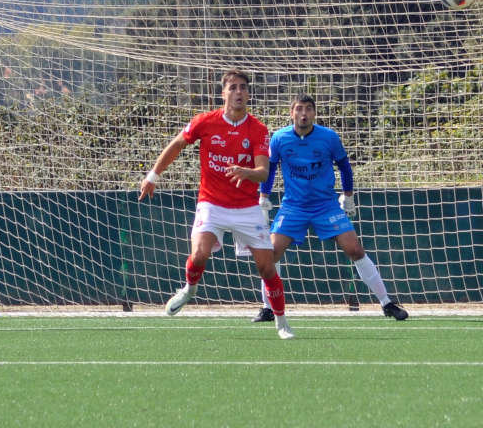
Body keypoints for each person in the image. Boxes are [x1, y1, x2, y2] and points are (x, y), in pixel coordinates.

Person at [139, 69, 294, 340]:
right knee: (199, 254)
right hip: (211, 203)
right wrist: (153, 176)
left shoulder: (257, 129)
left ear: (248, 94)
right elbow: (177, 145)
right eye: (232, 87)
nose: (238, 92)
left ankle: (282, 323)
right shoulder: (205, 122)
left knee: (267, 268)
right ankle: (189, 289)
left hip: (247, 208)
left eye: (243, 88)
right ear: (223, 93)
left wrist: (246, 172)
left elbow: (264, 172)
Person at [253, 94, 408, 322]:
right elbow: (271, 167)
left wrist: (348, 197)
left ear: (314, 113)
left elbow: (345, 167)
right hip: (293, 207)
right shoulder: (279, 138)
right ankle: (268, 308)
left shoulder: (329, 137)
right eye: (299, 109)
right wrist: (263, 198)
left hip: (326, 206)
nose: (303, 113)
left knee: (355, 249)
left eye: (308, 109)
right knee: (271, 253)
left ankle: (386, 303)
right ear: (291, 113)